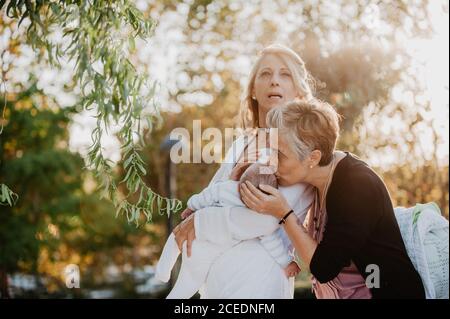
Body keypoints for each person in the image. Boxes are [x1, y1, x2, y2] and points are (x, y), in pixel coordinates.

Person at [239, 98, 426, 298]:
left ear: (313, 157)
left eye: (280, 154)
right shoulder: (314, 179)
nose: (271, 161)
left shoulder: (357, 185)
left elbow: (324, 268)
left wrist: (284, 214)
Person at [172, 44, 315, 298]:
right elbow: (211, 200)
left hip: (259, 283)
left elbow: (264, 219)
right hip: (215, 287)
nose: (274, 82)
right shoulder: (240, 144)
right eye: (265, 74)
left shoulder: (301, 148)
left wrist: (200, 222)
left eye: (285, 75)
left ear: (298, 90)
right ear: (252, 89)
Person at [156, 149, 302, 299]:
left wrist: (192, 207)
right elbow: (273, 242)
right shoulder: (262, 214)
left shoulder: (229, 188)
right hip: (206, 252)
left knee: (174, 244)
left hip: (201, 244)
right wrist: (287, 263)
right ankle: (165, 274)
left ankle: (162, 271)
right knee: (187, 284)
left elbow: (207, 195)